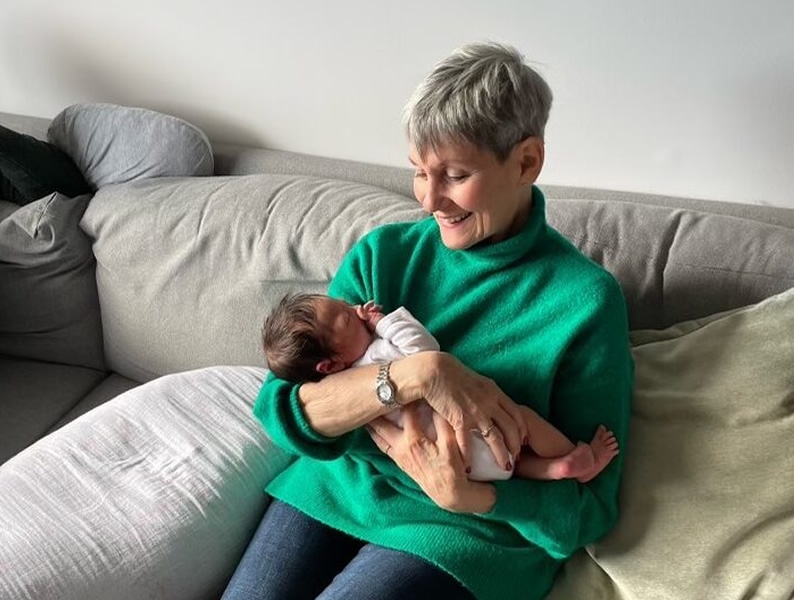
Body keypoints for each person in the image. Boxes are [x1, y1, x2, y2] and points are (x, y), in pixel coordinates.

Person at [222, 42, 634, 600]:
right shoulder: (383, 254)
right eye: (419, 172)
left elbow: (591, 505)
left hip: (463, 529)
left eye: (456, 174)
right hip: (338, 489)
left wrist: (479, 498)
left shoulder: (584, 301)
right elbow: (285, 407)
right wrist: (421, 374)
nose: (430, 199)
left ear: (526, 162)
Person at [261, 292, 620, 483]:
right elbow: (425, 354)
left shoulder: (339, 382)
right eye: (343, 314)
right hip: (461, 446)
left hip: (451, 466)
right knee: (522, 422)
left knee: (513, 459)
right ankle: (573, 458)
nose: (354, 307)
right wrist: (384, 321)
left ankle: (553, 470)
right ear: (329, 365)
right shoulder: (377, 352)